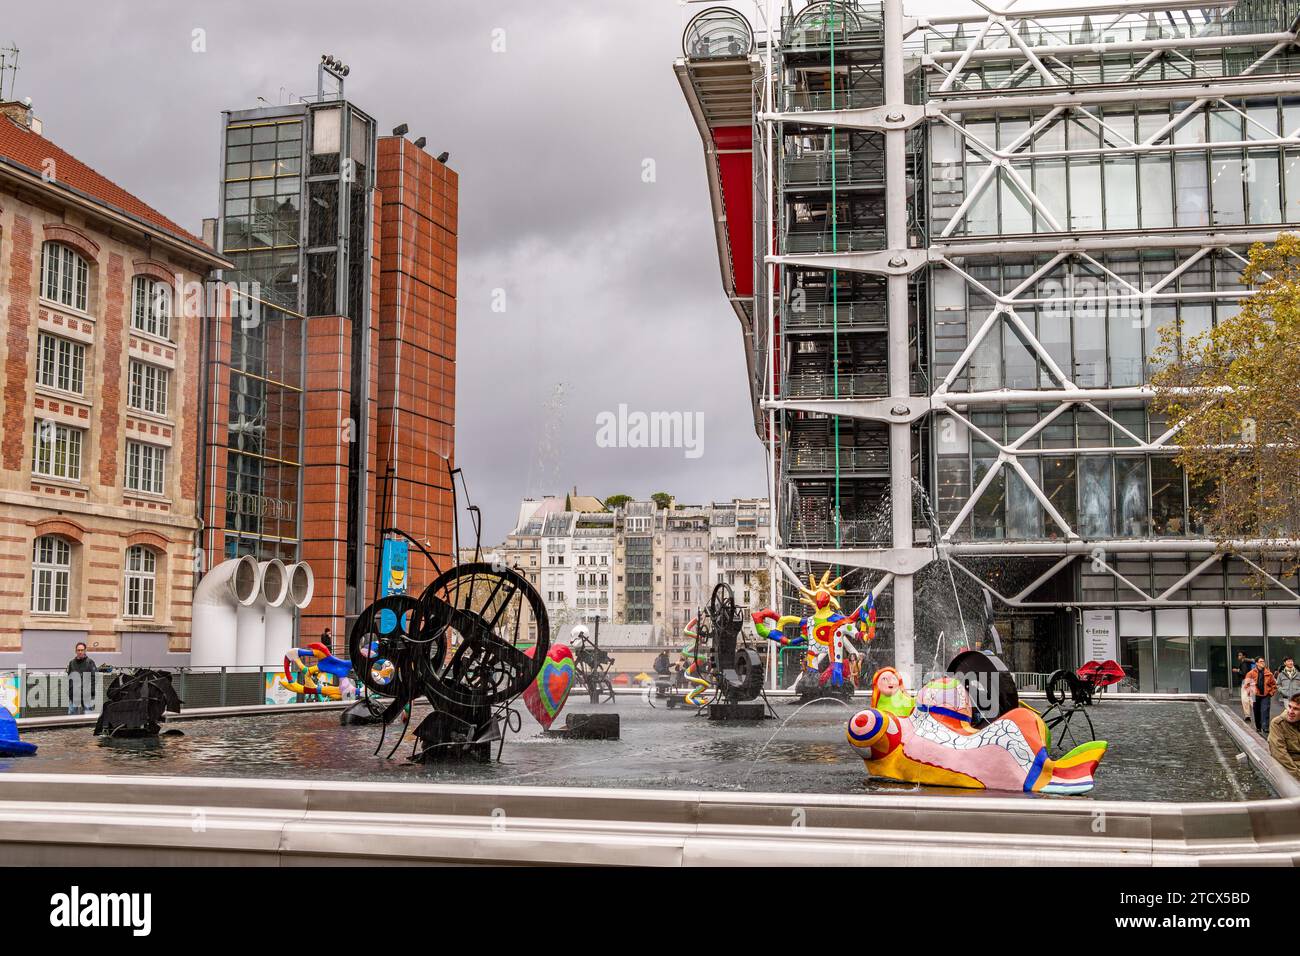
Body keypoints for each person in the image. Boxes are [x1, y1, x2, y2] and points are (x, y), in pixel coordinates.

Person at [1267, 695, 1300, 781]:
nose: (1291, 711)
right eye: (1289, 707)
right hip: (1293, 768)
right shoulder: (1278, 724)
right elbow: (1280, 754)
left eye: (1296, 709)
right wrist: (1297, 777)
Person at [66, 642, 97, 716]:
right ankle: (73, 727)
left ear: (85, 650)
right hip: (74, 693)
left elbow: (94, 677)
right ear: (76, 651)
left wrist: (90, 691)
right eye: (78, 650)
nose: (80, 652)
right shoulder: (72, 663)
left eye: (82, 650)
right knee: (71, 715)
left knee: (88, 715)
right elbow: (69, 677)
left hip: (87, 694)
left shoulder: (90, 662)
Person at [1251, 657, 1276, 737]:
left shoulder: (1269, 673)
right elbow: (1246, 683)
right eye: (1261, 661)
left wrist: (1271, 693)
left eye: (1263, 661)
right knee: (1256, 711)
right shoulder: (1251, 673)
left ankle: (1265, 727)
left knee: (1265, 710)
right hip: (1255, 695)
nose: (1263, 662)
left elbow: (1274, 685)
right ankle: (1258, 726)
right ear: (1257, 663)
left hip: (1266, 695)